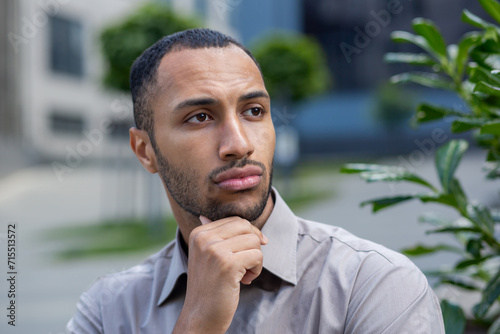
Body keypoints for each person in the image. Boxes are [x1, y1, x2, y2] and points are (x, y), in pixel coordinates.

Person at [67, 28, 445, 333]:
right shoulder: (107, 311)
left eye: (254, 111)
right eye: (200, 117)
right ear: (145, 150)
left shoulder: (374, 286)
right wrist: (197, 323)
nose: (239, 144)